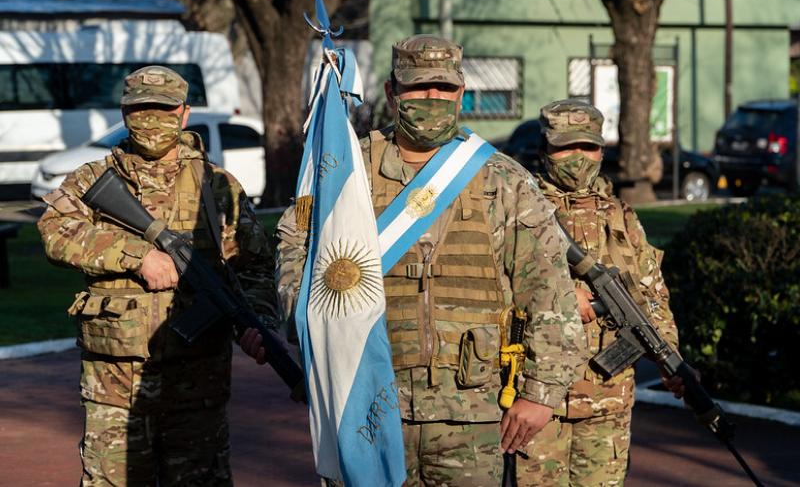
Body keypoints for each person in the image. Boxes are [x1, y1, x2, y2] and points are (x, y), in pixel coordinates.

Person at [269, 35, 585, 485]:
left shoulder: (499, 178)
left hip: (472, 415)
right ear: (392, 91)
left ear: (461, 91)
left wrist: (541, 392)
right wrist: (313, 327)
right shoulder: (346, 169)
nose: (432, 97)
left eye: (445, 87)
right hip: (366, 404)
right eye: (418, 87)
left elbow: (548, 290)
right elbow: (295, 246)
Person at [37, 66, 275, 486]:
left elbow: (254, 264)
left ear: (184, 113)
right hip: (114, 389)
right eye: (140, 109)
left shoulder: (216, 186)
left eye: (163, 110)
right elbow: (55, 232)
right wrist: (137, 255)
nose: (151, 120)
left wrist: (259, 323)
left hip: (197, 388)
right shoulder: (93, 180)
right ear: (124, 113)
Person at [521, 99, 682, 486]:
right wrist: (562, 300)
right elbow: (497, 289)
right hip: (540, 401)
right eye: (566, 147)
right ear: (545, 149)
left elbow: (652, 294)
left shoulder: (621, 216)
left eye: (587, 146)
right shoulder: (522, 210)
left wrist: (671, 358)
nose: (578, 157)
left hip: (609, 402)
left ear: (601, 150)